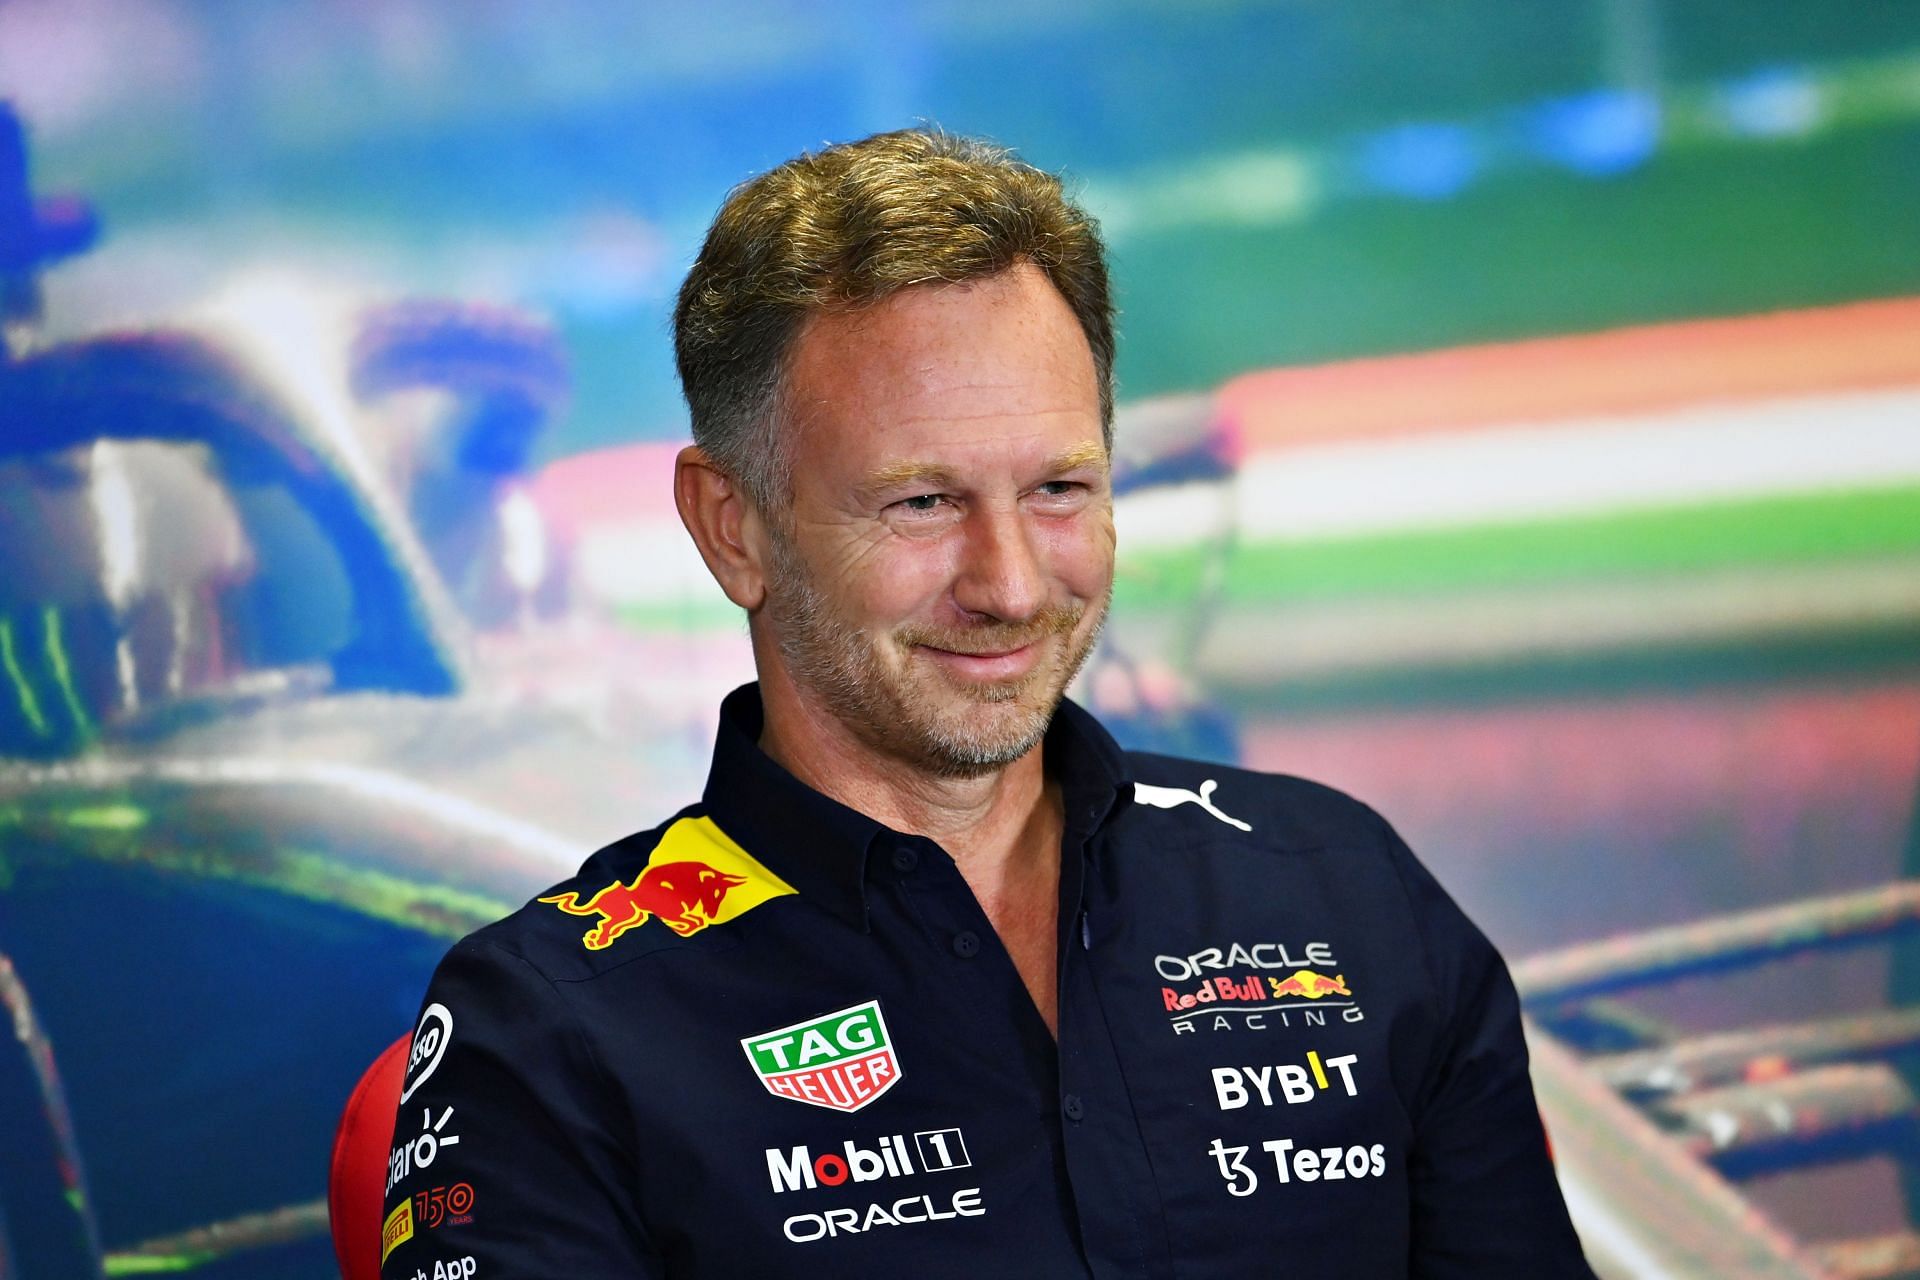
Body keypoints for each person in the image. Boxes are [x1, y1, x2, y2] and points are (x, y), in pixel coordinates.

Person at [378, 129, 1594, 1279]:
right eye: (920, 504)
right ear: (731, 526)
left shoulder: (1344, 885)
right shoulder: (548, 1028)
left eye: (1060, 487)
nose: (1010, 584)